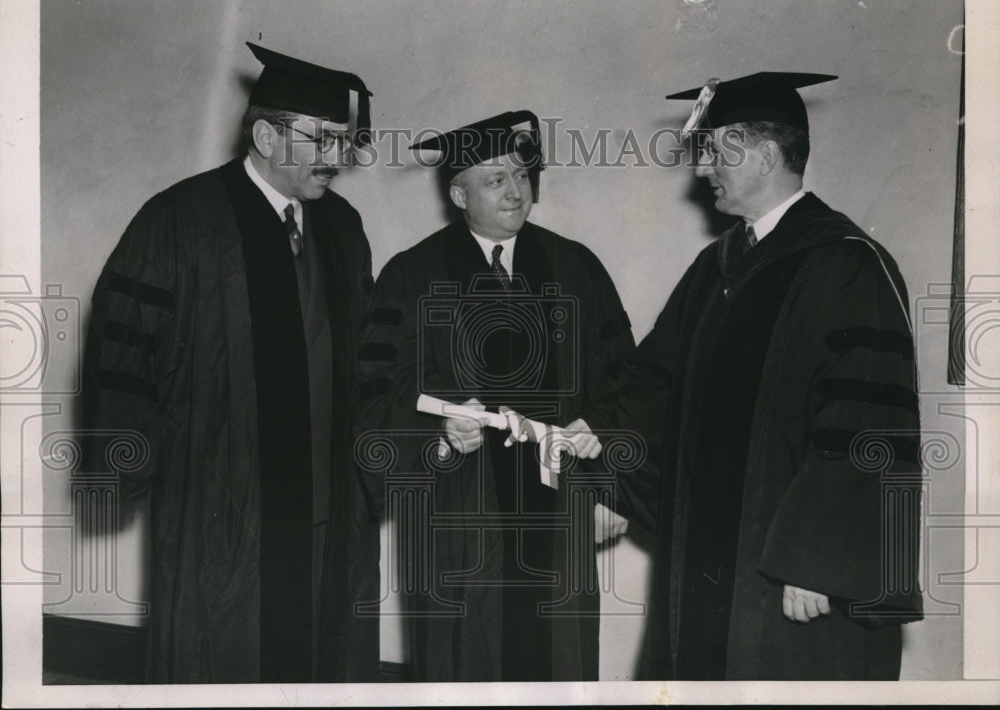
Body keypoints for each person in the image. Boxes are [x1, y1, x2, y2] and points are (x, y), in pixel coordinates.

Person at [570, 72, 924, 680]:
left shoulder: (846, 264)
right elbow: (657, 377)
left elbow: (866, 423)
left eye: (717, 150)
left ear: (763, 156)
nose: (703, 168)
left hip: (793, 574)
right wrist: (596, 431)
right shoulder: (718, 266)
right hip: (712, 562)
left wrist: (815, 558)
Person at [80, 43, 380, 683]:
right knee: (222, 652)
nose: (337, 158)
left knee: (320, 650)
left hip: (327, 496)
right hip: (222, 501)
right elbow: (124, 350)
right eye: (321, 139)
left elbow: (368, 359)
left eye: (344, 141)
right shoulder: (181, 220)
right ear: (267, 135)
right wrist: (121, 470)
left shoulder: (343, 227)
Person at [354, 111, 635, 681]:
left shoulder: (575, 266)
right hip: (458, 510)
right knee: (465, 661)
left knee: (557, 660)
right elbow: (377, 393)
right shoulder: (412, 275)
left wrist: (613, 492)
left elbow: (621, 385)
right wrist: (435, 438)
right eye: (495, 179)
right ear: (458, 193)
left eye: (521, 174)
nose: (516, 189)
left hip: (562, 508)